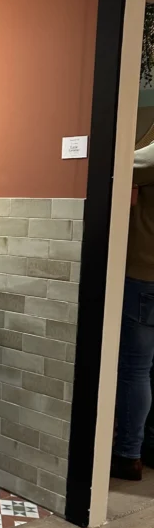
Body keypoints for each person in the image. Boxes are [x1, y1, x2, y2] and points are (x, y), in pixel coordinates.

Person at [112, 132, 154, 480]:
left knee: (136, 369)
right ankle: (147, 446)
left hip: (144, 274)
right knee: (150, 369)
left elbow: (118, 160)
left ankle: (129, 453)